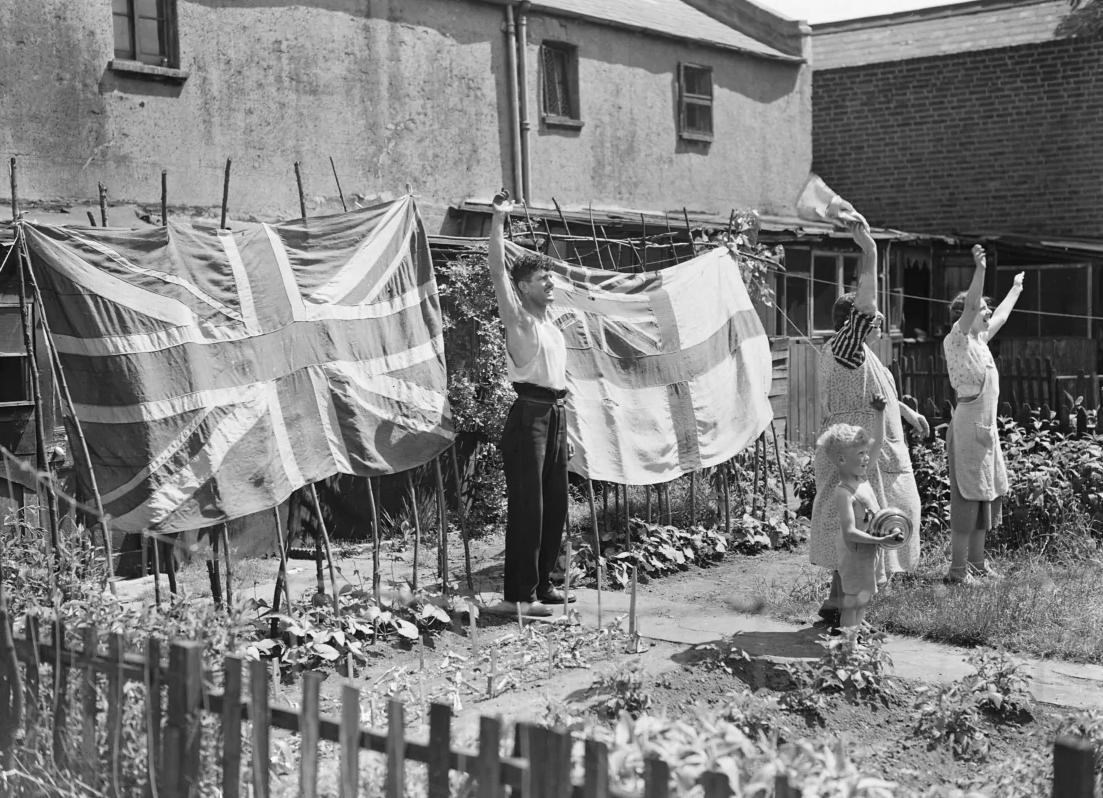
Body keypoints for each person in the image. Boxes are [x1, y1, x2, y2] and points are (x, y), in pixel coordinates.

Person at [809, 218, 927, 629]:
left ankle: (835, 602)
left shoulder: (863, 355)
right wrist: (871, 252)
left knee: (854, 525)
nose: (877, 327)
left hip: (858, 448)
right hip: (853, 453)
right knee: (857, 529)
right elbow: (865, 311)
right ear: (853, 323)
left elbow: (884, 393)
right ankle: (851, 617)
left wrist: (908, 414)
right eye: (871, 324)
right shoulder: (846, 347)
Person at [486, 189, 573, 617]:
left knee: (556, 503)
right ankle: (519, 596)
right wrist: (499, 220)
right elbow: (496, 270)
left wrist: (567, 429)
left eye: (551, 277)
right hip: (529, 417)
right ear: (523, 287)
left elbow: (559, 380)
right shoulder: (519, 319)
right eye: (543, 279)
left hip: (555, 414)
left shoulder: (549, 322)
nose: (550, 282)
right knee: (529, 507)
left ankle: (543, 585)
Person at [943, 245, 1024, 582]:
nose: (987, 312)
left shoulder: (980, 341)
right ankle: (958, 571)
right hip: (967, 431)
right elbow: (976, 302)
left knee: (984, 500)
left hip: (985, 432)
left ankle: (977, 564)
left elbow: (1002, 315)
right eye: (982, 308)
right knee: (967, 501)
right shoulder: (958, 339)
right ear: (967, 312)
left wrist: (1016, 287)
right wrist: (979, 269)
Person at [817, 423, 905, 629]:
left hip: (867, 552)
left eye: (866, 452)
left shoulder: (862, 480)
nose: (867, 457)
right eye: (861, 453)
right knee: (852, 603)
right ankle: (848, 647)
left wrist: (880, 415)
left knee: (863, 599)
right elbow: (849, 533)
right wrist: (880, 540)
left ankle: (854, 640)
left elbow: (878, 444)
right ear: (842, 460)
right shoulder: (844, 492)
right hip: (854, 554)